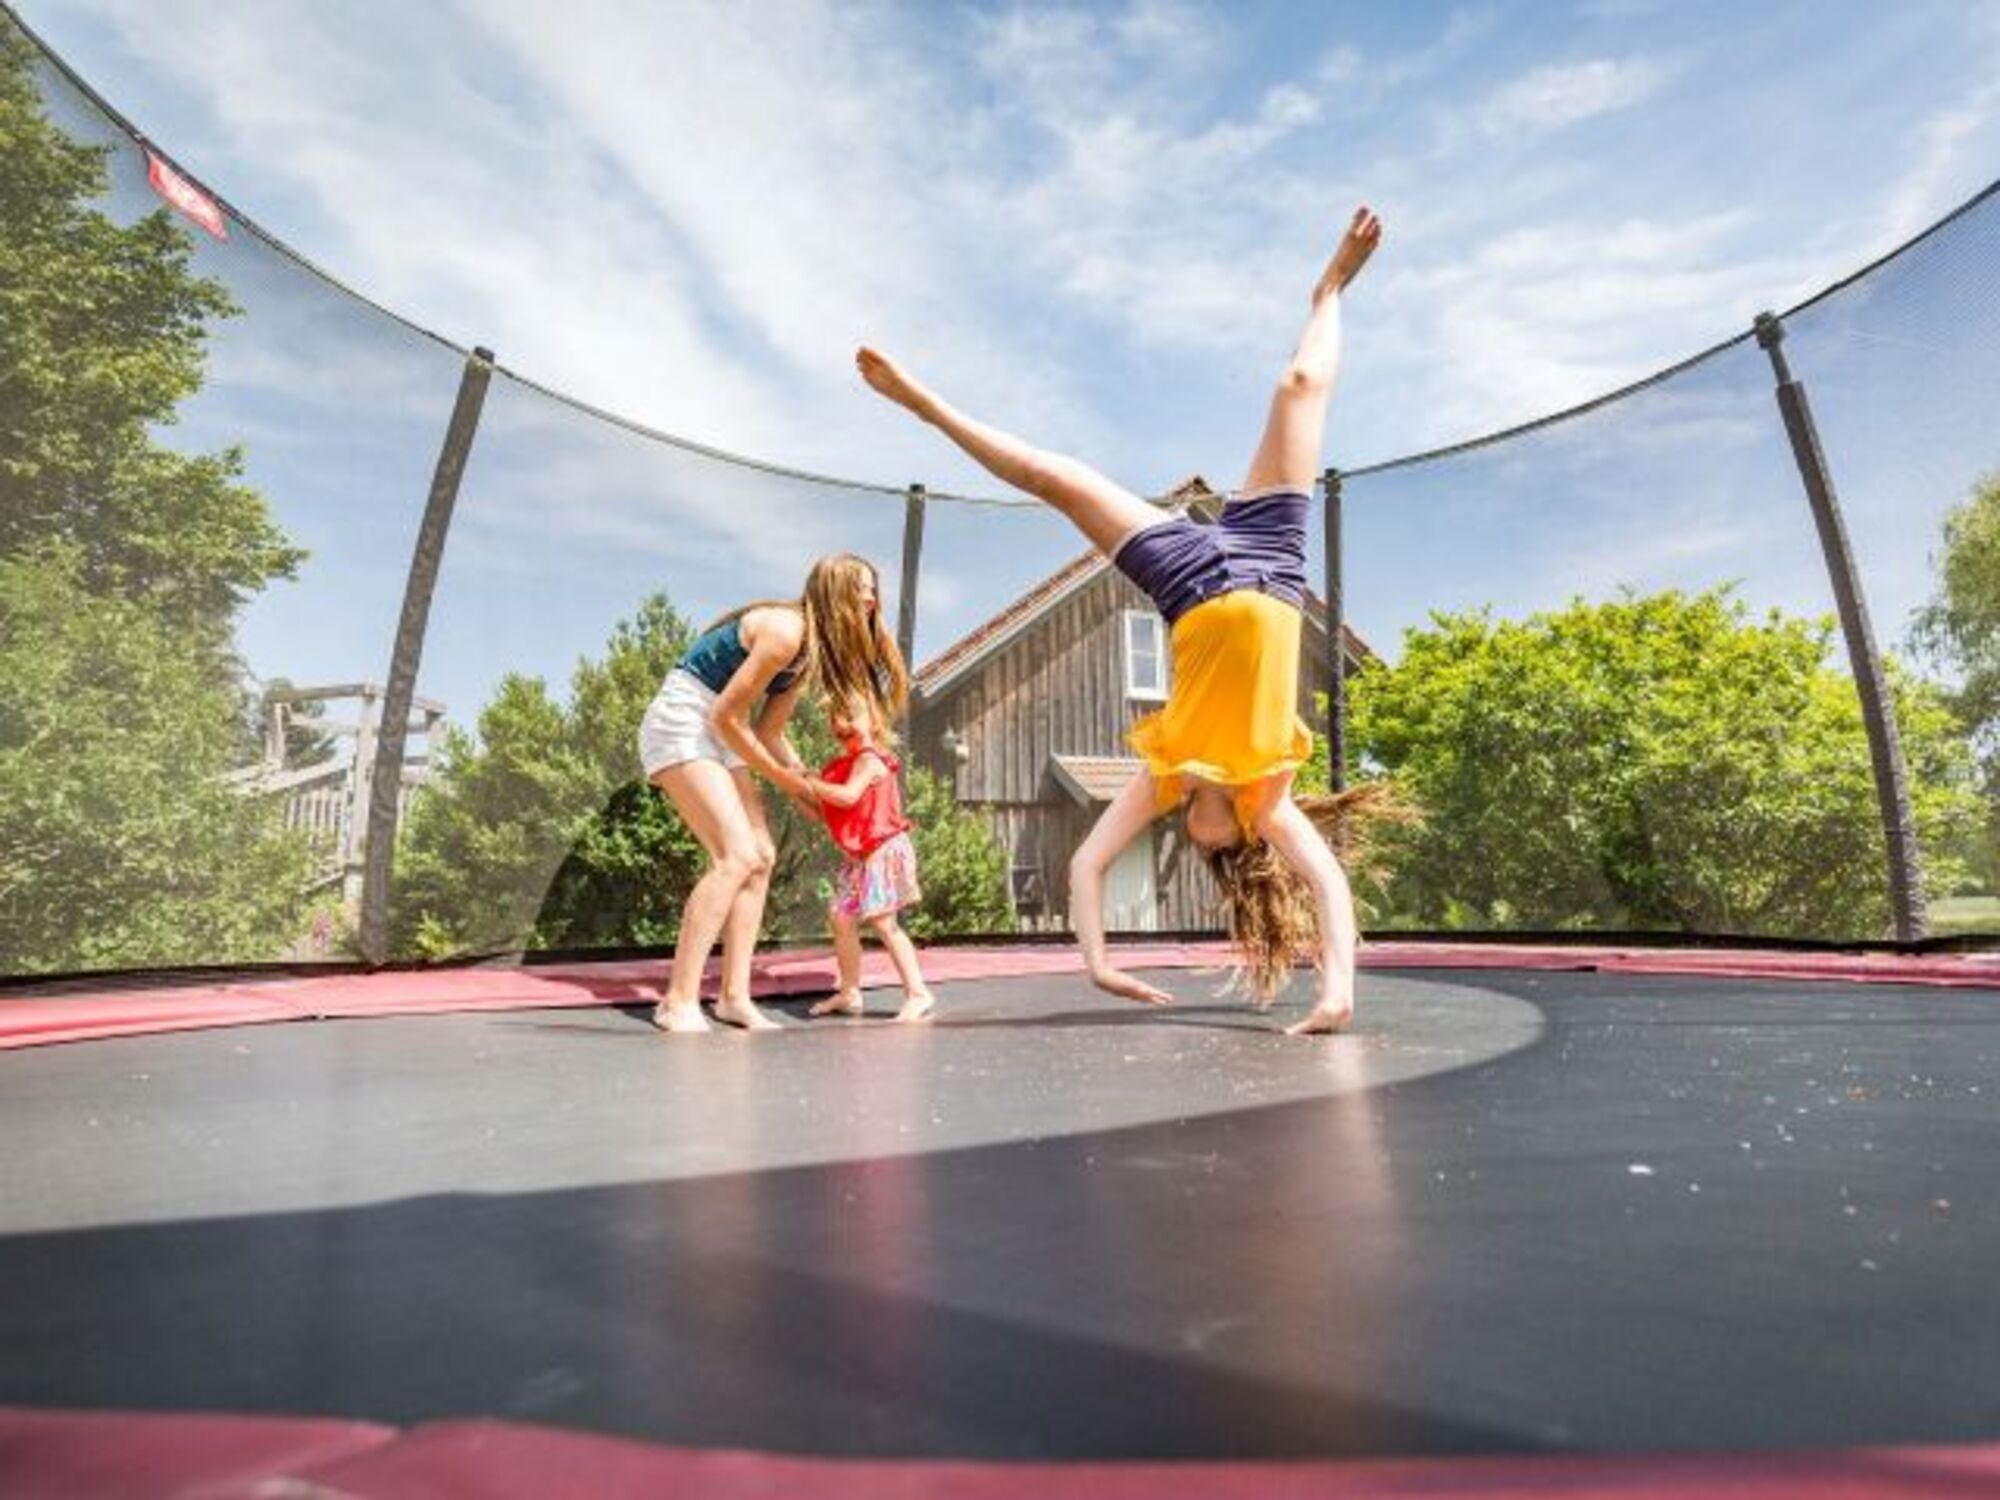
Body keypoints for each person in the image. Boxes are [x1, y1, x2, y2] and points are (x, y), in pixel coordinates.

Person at [856, 207, 1384, 1034]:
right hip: (1272, 565)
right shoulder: (1269, 799)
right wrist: (1337, 992)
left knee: (1056, 480)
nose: (1188, 834)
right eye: (1202, 844)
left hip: (1186, 583)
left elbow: (1087, 864)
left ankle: (926, 406)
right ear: (1235, 840)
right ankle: (1330, 291)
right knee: (1298, 388)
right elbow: (1327, 882)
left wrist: (1099, 962)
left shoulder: (1166, 776)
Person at [639, 553, 908, 1032]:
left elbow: (769, 732)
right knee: (735, 856)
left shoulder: (810, 653)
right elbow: (724, 716)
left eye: (873, 590)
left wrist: (806, 783)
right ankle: (677, 1001)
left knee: (761, 855)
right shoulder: (786, 632)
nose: (871, 598)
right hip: (684, 720)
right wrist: (790, 784)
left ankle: (733, 997)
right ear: (833, 593)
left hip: (721, 730)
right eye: (861, 588)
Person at [804, 695, 936, 1023]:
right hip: (860, 859)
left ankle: (918, 993)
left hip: (882, 851)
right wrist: (800, 789)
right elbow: (822, 811)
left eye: (850, 716)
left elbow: (848, 797)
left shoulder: (870, 760)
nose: (841, 724)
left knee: (883, 923)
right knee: (841, 917)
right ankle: (850, 991)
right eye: (835, 719)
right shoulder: (850, 764)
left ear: (874, 723)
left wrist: (810, 782)